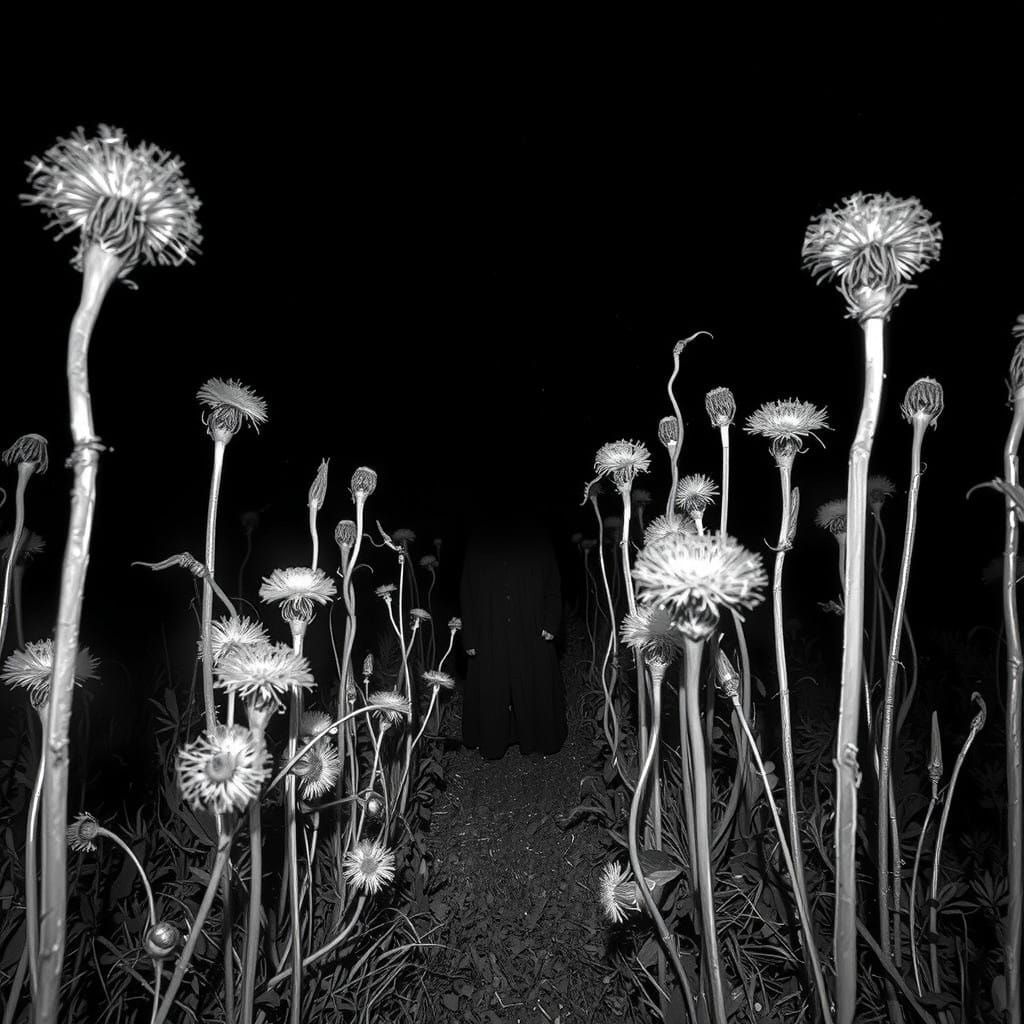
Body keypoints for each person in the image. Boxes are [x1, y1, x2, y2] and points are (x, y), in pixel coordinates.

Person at [458, 510, 567, 760]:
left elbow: (552, 584)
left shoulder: (538, 537)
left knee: (533, 682)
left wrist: (552, 622)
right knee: (492, 687)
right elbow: (468, 591)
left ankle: (538, 739)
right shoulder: (479, 540)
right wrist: (470, 637)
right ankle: (493, 740)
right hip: (489, 630)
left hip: (531, 627)